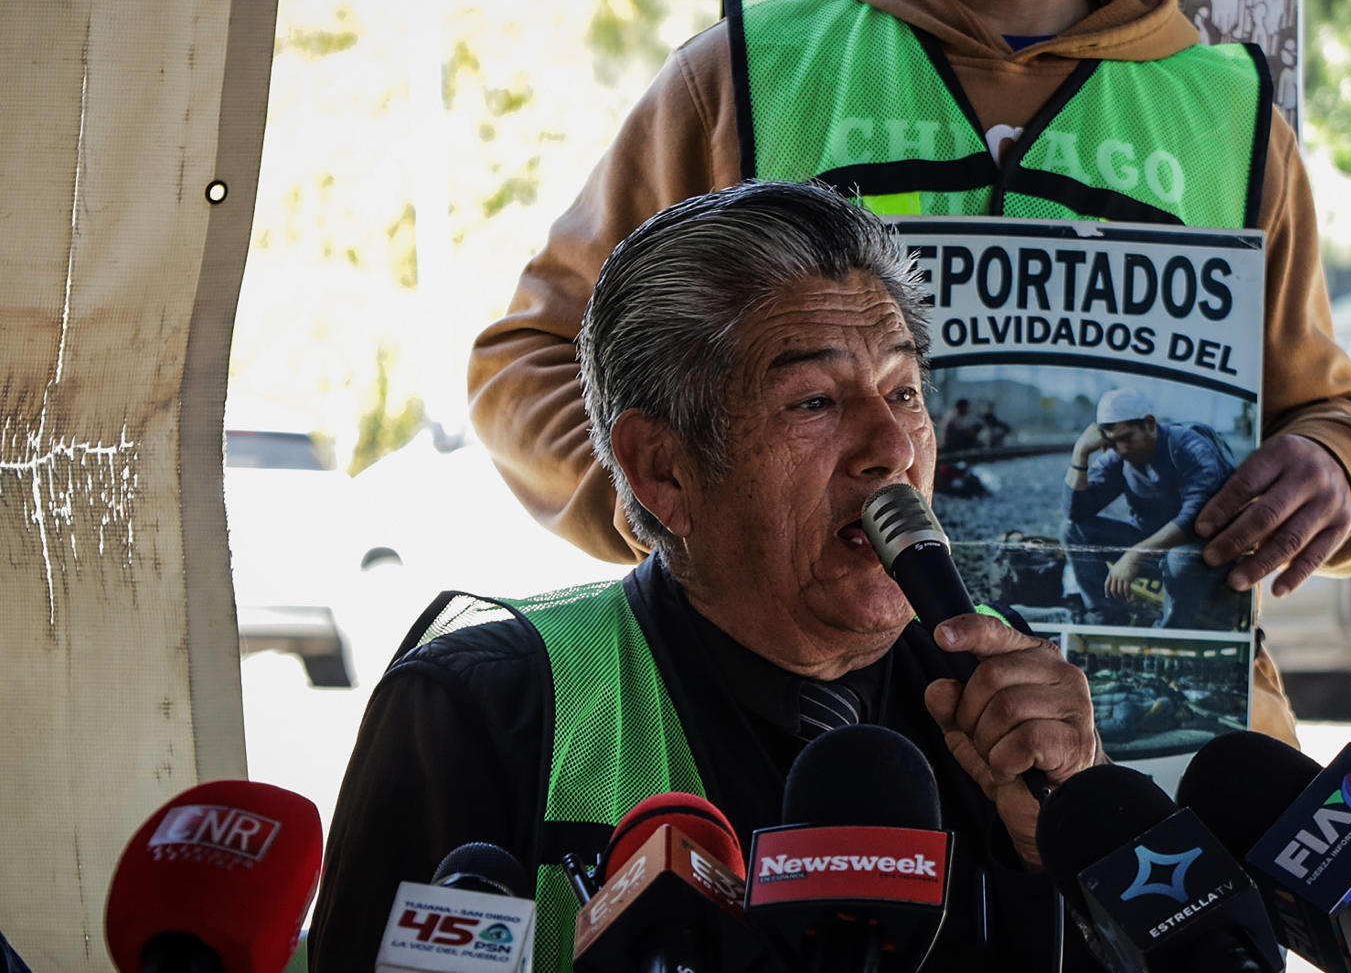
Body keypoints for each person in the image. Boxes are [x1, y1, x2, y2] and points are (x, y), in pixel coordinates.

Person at [468, 0, 1351, 745]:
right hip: (810, 745)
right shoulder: (744, 77)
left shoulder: (1231, 116)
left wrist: (1335, 471)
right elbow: (529, 365)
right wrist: (699, 524)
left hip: (1147, 761)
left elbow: (1333, 422)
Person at [309, 183, 1104, 973]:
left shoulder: (1007, 694)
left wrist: (1065, 843)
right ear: (664, 469)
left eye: (903, 391)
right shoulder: (486, 710)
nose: (893, 448)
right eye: (816, 402)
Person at [1064, 388, 1237, 629]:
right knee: (1073, 531)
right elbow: (1075, 513)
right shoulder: (1119, 457)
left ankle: (1171, 632)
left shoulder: (1190, 448)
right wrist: (1080, 454)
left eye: (1126, 438)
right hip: (1153, 551)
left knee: (1179, 559)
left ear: (1150, 423)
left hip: (1202, 552)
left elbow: (1197, 518)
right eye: (1112, 442)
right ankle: (1106, 620)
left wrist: (1136, 554)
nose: (1121, 449)